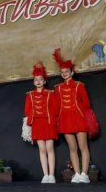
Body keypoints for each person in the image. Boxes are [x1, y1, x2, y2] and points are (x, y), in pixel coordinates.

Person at [53, 48, 92, 183]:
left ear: (72, 72)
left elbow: (86, 103)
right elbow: (57, 106)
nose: (64, 74)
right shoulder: (57, 88)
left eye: (67, 72)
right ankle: (76, 173)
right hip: (65, 119)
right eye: (62, 72)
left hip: (79, 117)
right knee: (72, 148)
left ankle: (84, 174)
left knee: (83, 147)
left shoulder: (79, 85)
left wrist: (79, 112)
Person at [24, 62, 58, 183]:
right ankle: (45, 174)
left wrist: (51, 119)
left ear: (44, 81)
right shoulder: (30, 95)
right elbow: (27, 110)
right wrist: (32, 118)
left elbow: (55, 108)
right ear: (34, 82)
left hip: (48, 122)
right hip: (37, 123)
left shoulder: (50, 93)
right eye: (36, 79)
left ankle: (52, 175)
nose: (38, 81)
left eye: (40, 79)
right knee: (42, 149)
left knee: (50, 148)